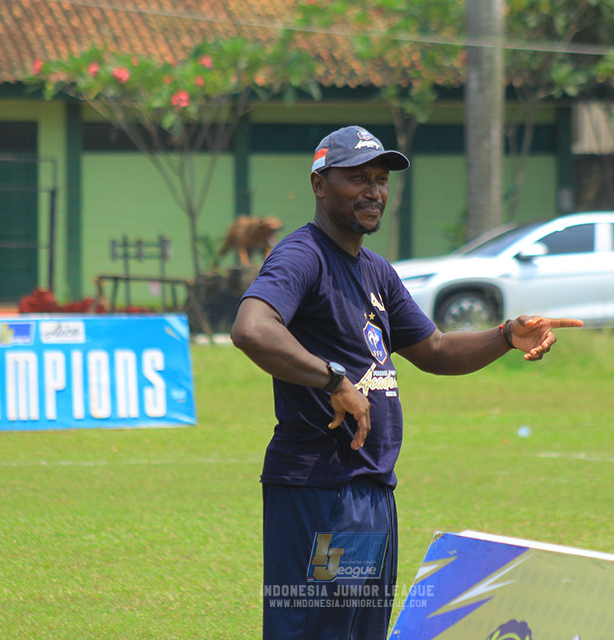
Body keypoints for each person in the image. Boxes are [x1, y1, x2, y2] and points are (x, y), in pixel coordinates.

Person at [230, 125, 582, 640]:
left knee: (356, 631)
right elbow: (251, 329)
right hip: (320, 488)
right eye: (357, 178)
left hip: (369, 489)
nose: (374, 191)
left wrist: (506, 335)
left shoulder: (376, 271)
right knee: (316, 631)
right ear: (320, 184)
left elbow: (434, 350)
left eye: (380, 179)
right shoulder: (302, 255)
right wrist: (333, 379)